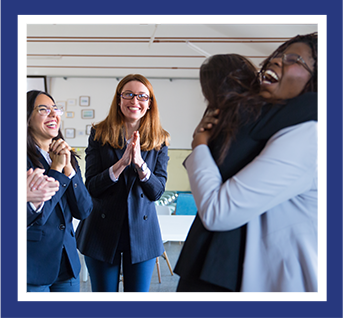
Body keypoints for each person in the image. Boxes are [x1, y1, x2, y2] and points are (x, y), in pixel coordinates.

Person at [174, 32, 318, 292]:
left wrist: (200, 145)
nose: (275, 62)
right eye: (276, 56)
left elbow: (218, 211)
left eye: (293, 59)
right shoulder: (261, 124)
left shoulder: (309, 130)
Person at [76, 74, 170, 292]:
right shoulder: (99, 134)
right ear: (119, 100)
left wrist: (139, 164)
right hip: (101, 231)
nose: (134, 101)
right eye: (128, 94)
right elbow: (91, 186)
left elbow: (157, 191)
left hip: (142, 233)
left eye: (141, 96)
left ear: (149, 103)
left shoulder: (160, 139)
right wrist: (119, 165)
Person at [27, 90, 93, 292]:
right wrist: (56, 170)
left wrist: (69, 169)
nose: (53, 114)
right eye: (43, 110)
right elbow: (37, 215)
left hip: (67, 265)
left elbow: (83, 210)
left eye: (55, 109)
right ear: (26, 118)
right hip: (33, 267)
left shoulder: (67, 155)